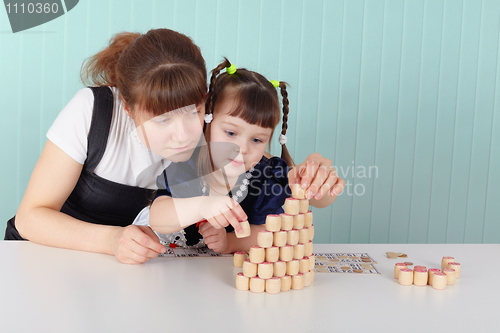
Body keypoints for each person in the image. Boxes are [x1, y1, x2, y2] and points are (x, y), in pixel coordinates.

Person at [5, 29, 208, 264]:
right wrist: (112, 240)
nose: (183, 136)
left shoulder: (217, 130)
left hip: (110, 268)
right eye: (162, 120)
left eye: (194, 111)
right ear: (128, 108)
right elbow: (30, 218)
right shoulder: (92, 112)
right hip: (38, 257)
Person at [139, 59, 344, 253]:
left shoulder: (264, 174)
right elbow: (158, 217)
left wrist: (230, 242)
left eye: (257, 140)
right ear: (207, 120)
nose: (242, 148)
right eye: (230, 133)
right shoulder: (189, 162)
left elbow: (274, 229)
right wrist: (203, 206)